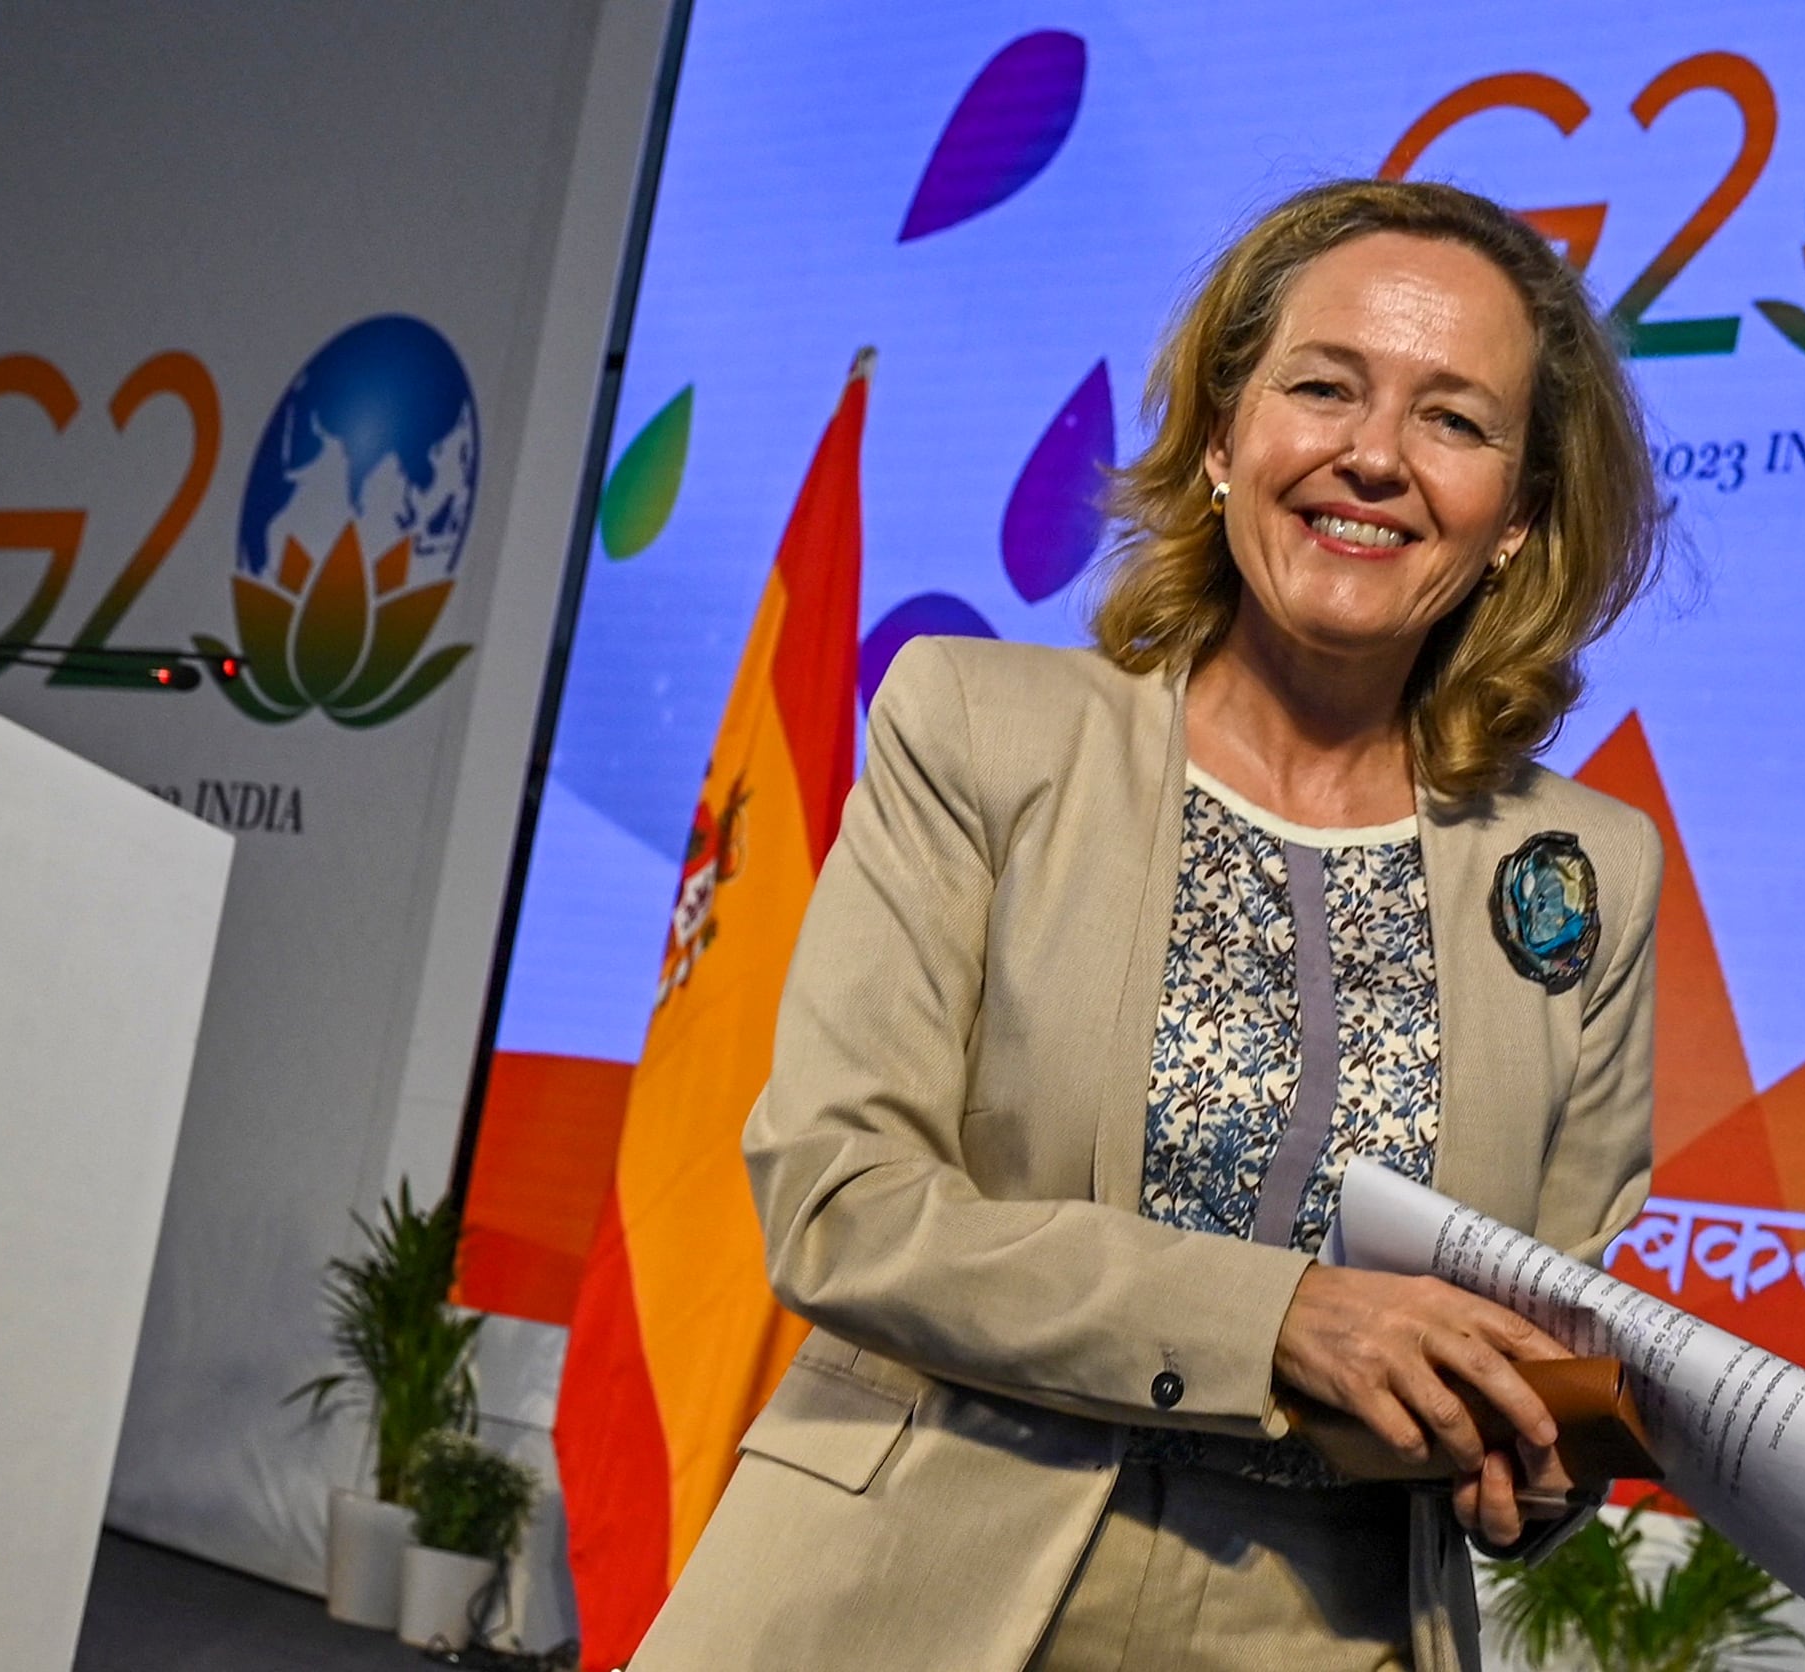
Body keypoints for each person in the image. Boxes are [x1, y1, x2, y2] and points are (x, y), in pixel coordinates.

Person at [632, 177, 1668, 1672]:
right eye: (1325, 388)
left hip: (1341, 1629)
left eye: (1454, 421)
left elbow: (1552, 1328)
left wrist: (1541, 1469)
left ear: (1516, 518)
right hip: (904, 1594)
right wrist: (1279, 1320)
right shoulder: (976, 727)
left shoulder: (1590, 867)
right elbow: (841, 1202)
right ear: (1227, 436)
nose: (1373, 456)